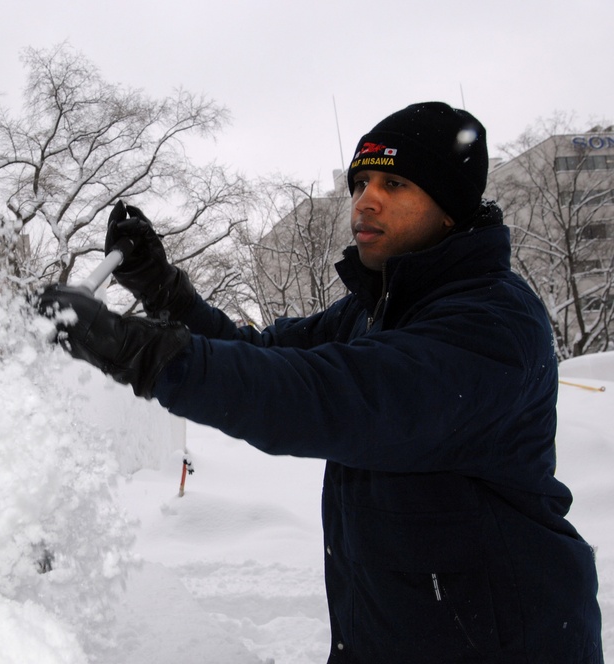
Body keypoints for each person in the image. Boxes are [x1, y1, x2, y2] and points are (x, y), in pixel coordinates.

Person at [37, 102, 604, 663]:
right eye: (360, 183)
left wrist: (140, 351)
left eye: (395, 182)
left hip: (508, 644)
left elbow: (329, 394)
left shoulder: (492, 321)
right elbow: (259, 353)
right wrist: (163, 290)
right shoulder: (370, 310)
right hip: (385, 637)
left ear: (450, 208)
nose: (366, 200)